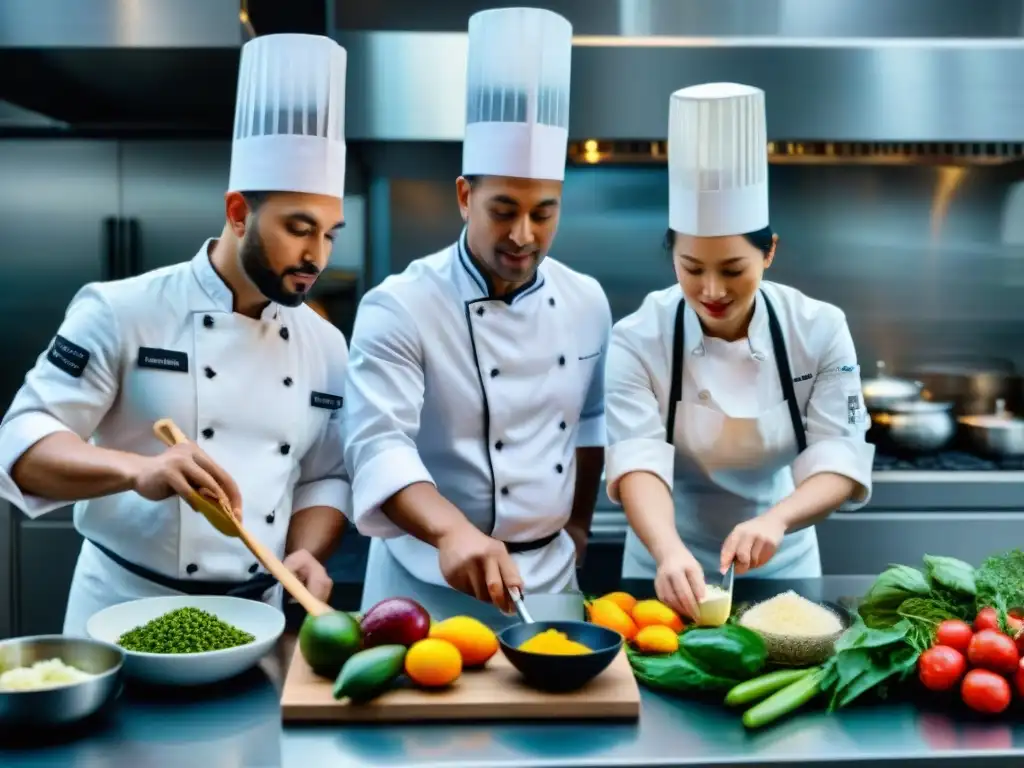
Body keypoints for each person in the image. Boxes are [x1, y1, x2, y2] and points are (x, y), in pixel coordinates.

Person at [0, 33, 353, 636]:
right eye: (299, 229)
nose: (315, 255)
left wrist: (306, 554)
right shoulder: (121, 308)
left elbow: (326, 475)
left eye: (329, 233)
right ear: (239, 212)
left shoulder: (325, 344)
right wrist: (137, 471)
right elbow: (22, 447)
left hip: (255, 620)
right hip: (118, 614)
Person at [343, 7, 611, 623]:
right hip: (424, 579)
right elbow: (378, 445)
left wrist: (577, 524)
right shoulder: (400, 305)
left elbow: (590, 425)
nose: (524, 234)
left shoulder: (586, 300)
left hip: (550, 579)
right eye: (503, 209)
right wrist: (450, 533)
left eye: (543, 212)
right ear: (465, 197)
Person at [604, 83, 875, 621]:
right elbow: (636, 458)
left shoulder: (818, 328)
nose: (711, 290)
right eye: (690, 268)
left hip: (781, 560)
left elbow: (839, 458)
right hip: (663, 562)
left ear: (769, 251)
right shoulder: (639, 336)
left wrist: (776, 520)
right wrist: (667, 551)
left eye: (732, 270)